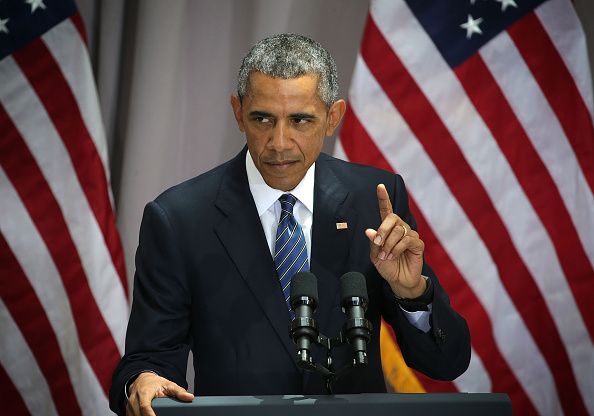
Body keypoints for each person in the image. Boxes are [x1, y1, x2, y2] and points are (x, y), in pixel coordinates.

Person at [109, 33, 470, 416]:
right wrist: (144, 380)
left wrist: (411, 291)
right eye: (262, 118)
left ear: (333, 117)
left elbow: (446, 363)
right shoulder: (180, 219)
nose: (279, 142)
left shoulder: (374, 200)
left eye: (300, 120)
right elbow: (146, 361)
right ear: (238, 112)